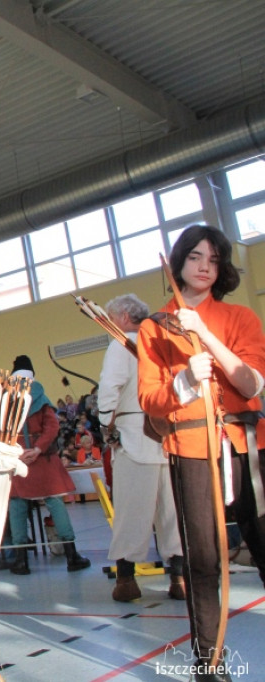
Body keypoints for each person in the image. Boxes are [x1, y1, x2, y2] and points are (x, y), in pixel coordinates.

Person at [137, 224, 265, 680]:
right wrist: (186, 380)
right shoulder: (153, 327)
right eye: (195, 257)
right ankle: (209, 664)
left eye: (213, 259)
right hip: (191, 448)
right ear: (179, 263)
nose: (205, 266)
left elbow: (251, 385)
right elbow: (150, 401)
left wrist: (205, 334)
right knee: (203, 561)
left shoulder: (240, 318)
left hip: (246, 446)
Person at [97, 293, 184, 603]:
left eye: (112, 318)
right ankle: (180, 578)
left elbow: (110, 387)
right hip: (169, 436)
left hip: (134, 435)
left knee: (131, 511)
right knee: (172, 510)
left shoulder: (121, 344)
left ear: (123, 317)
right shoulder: (163, 341)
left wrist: (105, 425)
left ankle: (126, 580)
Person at [6, 355, 91, 575]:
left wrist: (17, 451)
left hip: (18, 460)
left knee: (17, 506)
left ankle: (21, 560)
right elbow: (52, 427)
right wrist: (37, 448)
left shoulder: (6, 400)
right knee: (55, 503)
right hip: (42, 459)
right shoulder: (40, 398)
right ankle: (71, 556)